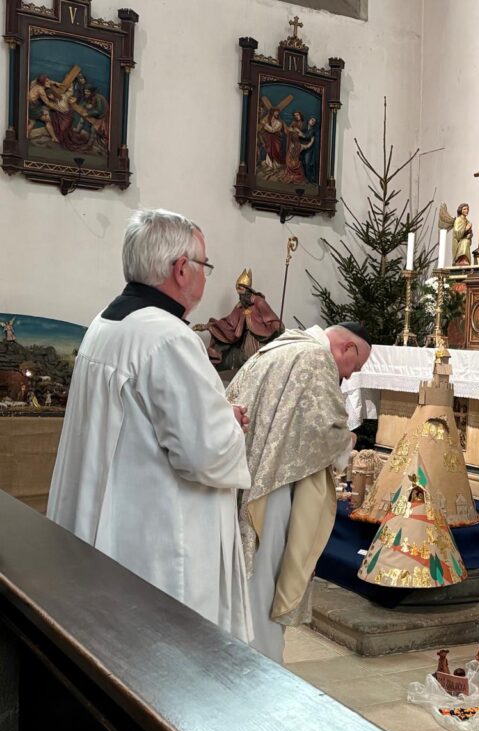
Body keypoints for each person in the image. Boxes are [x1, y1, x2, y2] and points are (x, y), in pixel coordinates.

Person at [48, 209, 253, 641]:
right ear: (181, 269)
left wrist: (214, 416)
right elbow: (205, 454)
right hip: (158, 547)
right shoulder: (169, 338)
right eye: (204, 265)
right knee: (167, 652)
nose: (205, 275)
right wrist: (231, 426)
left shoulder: (108, 322)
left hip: (110, 523)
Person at [227, 321, 371, 663]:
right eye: (354, 367)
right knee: (264, 579)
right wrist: (348, 440)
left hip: (243, 477)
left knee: (242, 576)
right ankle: (258, 664)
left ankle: (232, 654)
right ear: (347, 348)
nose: (348, 376)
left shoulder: (276, 349)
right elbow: (324, 433)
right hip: (274, 488)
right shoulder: (315, 359)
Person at [205, 268, 283, 372]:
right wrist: (209, 326)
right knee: (238, 357)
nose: (239, 295)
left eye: (241, 290)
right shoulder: (241, 305)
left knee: (252, 360)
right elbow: (229, 323)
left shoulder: (259, 302)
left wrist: (276, 329)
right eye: (238, 292)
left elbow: (274, 321)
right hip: (244, 339)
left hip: (258, 340)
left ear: (247, 290)